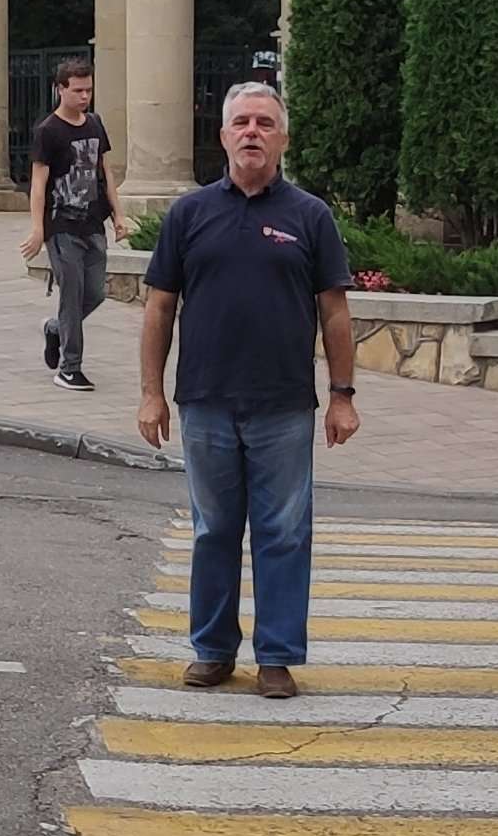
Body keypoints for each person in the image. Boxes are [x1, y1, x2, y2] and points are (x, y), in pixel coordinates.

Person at [138, 79, 358, 697]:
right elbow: (159, 308)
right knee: (213, 530)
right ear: (223, 136)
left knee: (283, 533)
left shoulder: (309, 216)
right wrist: (151, 393)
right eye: (242, 122)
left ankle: (277, 658)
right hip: (205, 401)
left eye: (264, 123)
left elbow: (335, 312)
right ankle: (212, 650)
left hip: (284, 405)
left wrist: (342, 395)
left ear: (282, 139)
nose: (252, 132)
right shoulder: (189, 215)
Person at [24, 54, 125, 390]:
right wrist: (38, 229)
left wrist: (119, 215)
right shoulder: (48, 131)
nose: (84, 96)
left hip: (93, 223)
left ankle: (55, 328)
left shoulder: (95, 123)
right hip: (62, 225)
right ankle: (69, 368)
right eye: (78, 90)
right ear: (60, 89)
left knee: (95, 293)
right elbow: (38, 184)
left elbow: (105, 171)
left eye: (88, 90)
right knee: (72, 295)